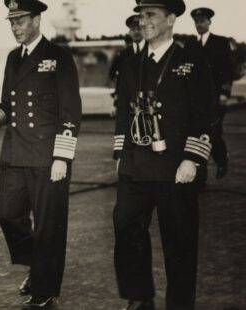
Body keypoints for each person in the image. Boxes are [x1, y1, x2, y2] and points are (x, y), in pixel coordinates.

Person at [0, 0, 82, 308]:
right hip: (15, 153)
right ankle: (38, 265)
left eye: (21, 20)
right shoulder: (13, 58)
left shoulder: (59, 57)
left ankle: (45, 290)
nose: (15, 27)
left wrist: (62, 156)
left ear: (37, 20)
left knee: (49, 226)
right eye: (11, 22)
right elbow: (7, 105)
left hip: (49, 157)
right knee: (6, 212)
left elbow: (71, 111)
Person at [113, 0, 214, 309]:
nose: (143, 21)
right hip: (137, 164)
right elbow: (122, 112)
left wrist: (193, 158)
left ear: (170, 19)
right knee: (125, 224)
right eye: (140, 15)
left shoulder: (192, 60)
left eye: (150, 15)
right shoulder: (130, 63)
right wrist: (120, 152)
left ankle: (180, 304)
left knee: (179, 241)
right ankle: (140, 296)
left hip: (176, 166)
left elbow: (206, 113)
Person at [186, 7, 235, 179]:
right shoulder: (190, 44)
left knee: (213, 132)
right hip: (196, 99)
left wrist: (224, 93)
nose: (199, 24)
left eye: (202, 21)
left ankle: (222, 159)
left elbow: (229, 69)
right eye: (196, 22)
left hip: (216, 98)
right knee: (198, 133)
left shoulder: (220, 42)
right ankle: (200, 177)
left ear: (209, 22)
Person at [109, 14, 146, 116]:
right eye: (133, 29)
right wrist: (116, 103)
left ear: (144, 30)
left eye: (139, 28)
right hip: (129, 102)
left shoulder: (151, 50)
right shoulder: (123, 55)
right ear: (129, 32)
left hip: (148, 102)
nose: (136, 32)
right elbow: (117, 77)